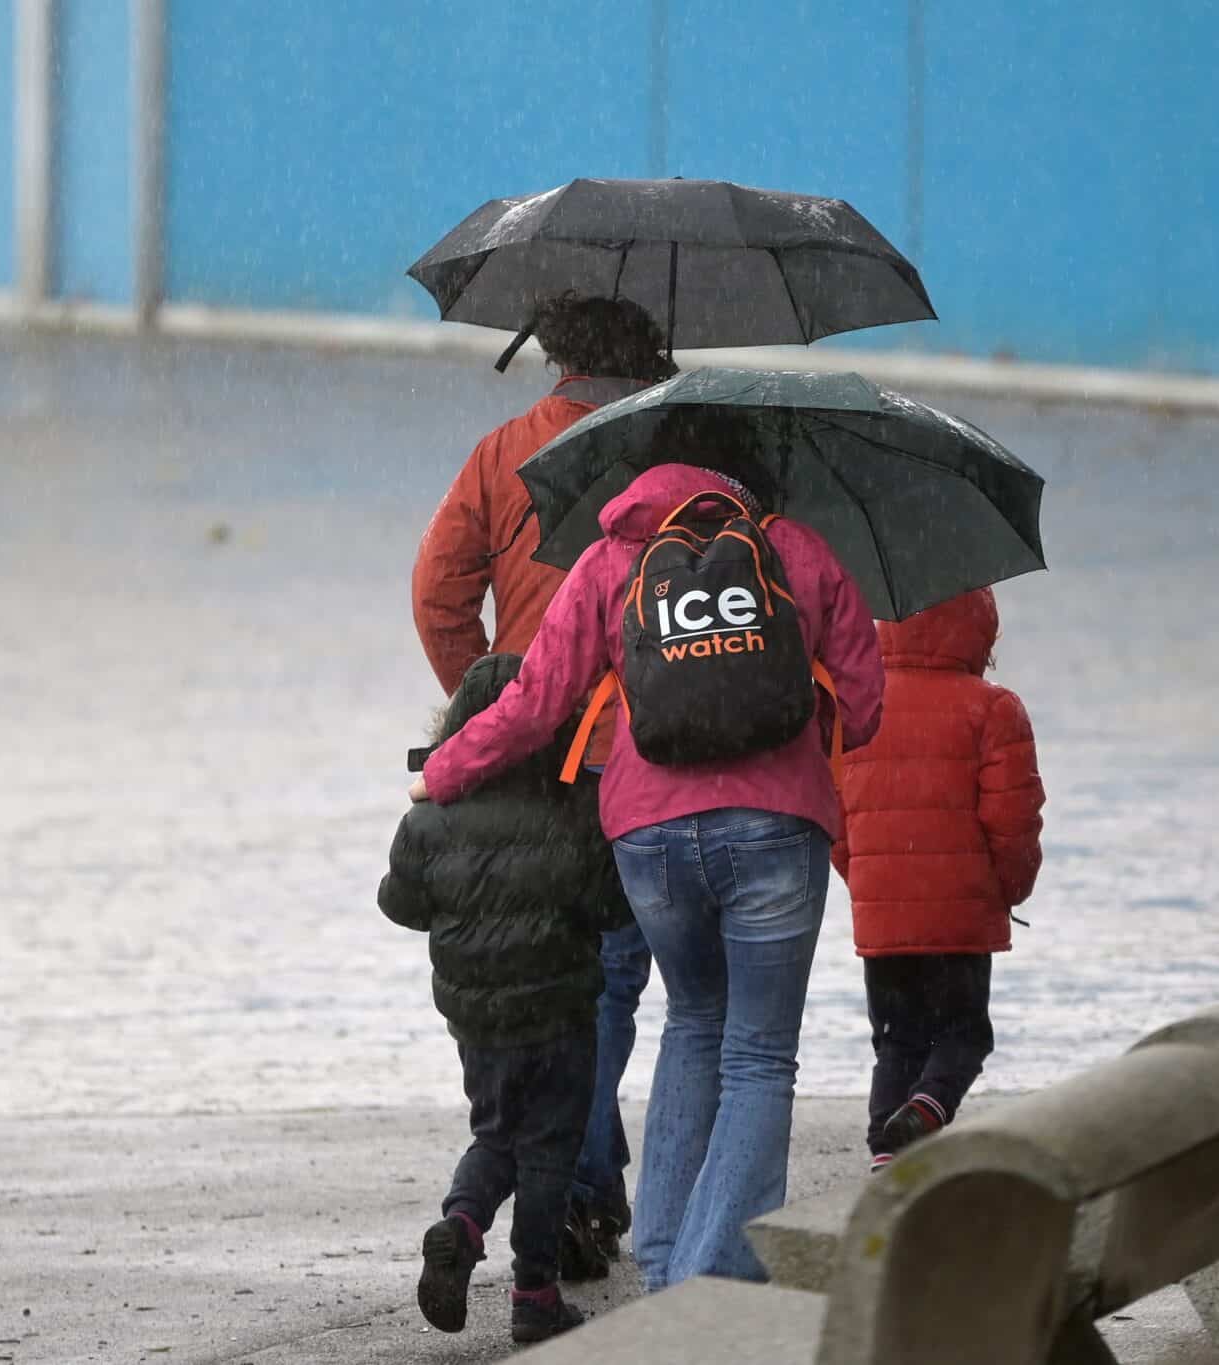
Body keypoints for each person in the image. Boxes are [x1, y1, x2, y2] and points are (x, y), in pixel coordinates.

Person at [409, 461, 884, 1290]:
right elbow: (868, 704)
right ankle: (714, 1279)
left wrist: (443, 772)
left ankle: (665, 1268)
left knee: (694, 1022)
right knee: (761, 1056)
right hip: (776, 827)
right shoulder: (796, 550)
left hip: (648, 835)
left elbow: (533, 701)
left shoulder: (611, 558)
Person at [410, 291, 674, 1273]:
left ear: (554, 353)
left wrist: (490, 694)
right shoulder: (674, 462)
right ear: (647, 350)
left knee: (547, 983)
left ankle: (569, 1191)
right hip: (649, 757)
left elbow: (438, 598)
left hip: (528, 756)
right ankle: (579, 1192)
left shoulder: (501, 453)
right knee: (611, 985)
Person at [378, 653, 632, 1344]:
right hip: (558, 1010)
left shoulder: (431, 816)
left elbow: (398, 904)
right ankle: (534, 1292)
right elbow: (612, 907)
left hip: (477, 1015)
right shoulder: (574, 805)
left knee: (496, 1136)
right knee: (550, 1146)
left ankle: (460, 1222)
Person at [829, 588, 1045, 1170]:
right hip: (962, 916)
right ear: (979, 630)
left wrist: (868, 885)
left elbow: (835, 818)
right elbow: (1014, 820)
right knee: (964, 1035)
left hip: (884, 911)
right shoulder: (994, 708)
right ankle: (927, 1109)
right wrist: (1008, 890)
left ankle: (885, 1149)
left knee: (896, 1039)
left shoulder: (856, 705)